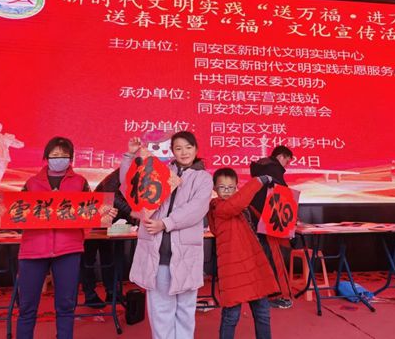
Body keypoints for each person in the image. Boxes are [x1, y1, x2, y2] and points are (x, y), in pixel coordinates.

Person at [0, 136, 116, 339]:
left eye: (64, 155)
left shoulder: (80, 182)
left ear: (71, 158)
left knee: (66, 306)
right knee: (27, 306)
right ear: (46, 157)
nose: (59, 158)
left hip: (68, 250)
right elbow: (16, 212)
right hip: (32, 251)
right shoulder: (32, 183)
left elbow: (91, 212)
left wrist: (104, 213)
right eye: (54, 155)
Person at [120, 131, 213, 339]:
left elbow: (196, 209)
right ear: (172, 151)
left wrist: (165, 223)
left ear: (196, 149)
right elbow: (130, 184)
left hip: (186, 255)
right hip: (158, 254)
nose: (184, 152)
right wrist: (130, 156)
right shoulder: (161, 172)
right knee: (160, 310)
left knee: (185, 311)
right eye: (178, 148)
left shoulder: (204, 178)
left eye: (188, 147)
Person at [208, 168, 279, 339]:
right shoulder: (219, 208)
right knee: (231, 316)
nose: (227, 191)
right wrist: (259, 180)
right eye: (222, 187)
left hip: (252, 268)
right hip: (234, 272)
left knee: (263, 313)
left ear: (236, 188)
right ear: (215, 189)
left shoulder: (240, 210)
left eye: (231, 187)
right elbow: (236, 203)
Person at [81, 167, 135, 308]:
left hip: (112, 222)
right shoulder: (117, 175)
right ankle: (90, 294)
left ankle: (112, 292)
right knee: (88, 259)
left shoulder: (140, 177)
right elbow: (110, 196)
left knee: (109, 258)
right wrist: (131, 212)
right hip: (94, 219)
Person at [249, 145, 294, 309]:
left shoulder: (259, 168)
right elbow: (283, 195)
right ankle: (280, 295)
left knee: (264, 256)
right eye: (287, 161)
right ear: (281, 156)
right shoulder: (274, 169)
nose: (286, 166)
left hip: (256, 217)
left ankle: (266, 291)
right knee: (276, 257)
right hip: (271, 220)